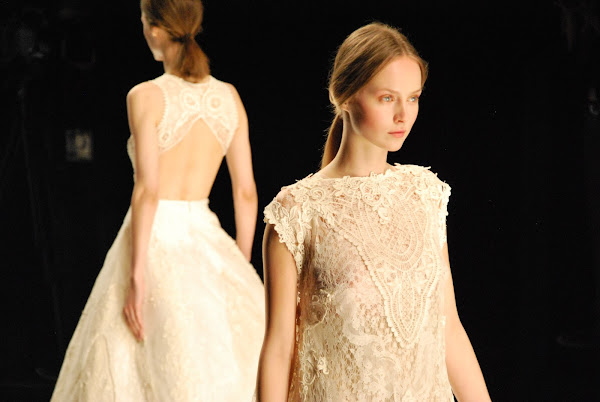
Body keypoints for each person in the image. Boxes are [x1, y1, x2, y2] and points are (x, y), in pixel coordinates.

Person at [257, 22, 491, 401]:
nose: (403, 115)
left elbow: (448, 330)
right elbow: (279, 349)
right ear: (345, 96)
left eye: (413, 98)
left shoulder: (426, 195)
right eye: (386, 98)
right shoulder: (297, 212)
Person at [51, 0, 265, 400]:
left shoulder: (145, 95)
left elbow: (148, 189)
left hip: (155, 238)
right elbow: (246, 191)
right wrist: (240, 261)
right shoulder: (229, 97)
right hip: (208, 238)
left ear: (154, 29)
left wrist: (136, 276)